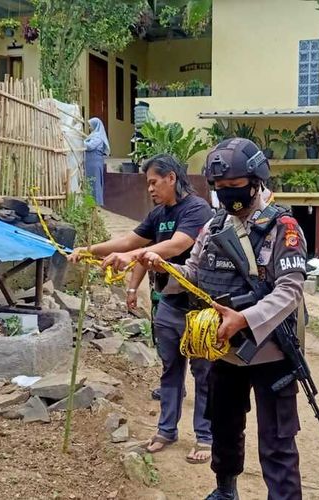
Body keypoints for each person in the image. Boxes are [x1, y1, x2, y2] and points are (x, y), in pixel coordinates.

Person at [143, 138, 307, 500]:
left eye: (235, 188)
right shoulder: (215, 227)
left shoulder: (284, 227)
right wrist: (161, 269)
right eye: (219, 189)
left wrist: (245, 319)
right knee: (224, 427)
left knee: (277, 442)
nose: (228, 196)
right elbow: (194, 273)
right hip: (225, 349)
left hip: (271, 354)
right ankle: (225, 490)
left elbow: (290, 290)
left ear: (256, 181)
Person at [68, 153, 214, 464]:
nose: (149, 188)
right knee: (170, 371)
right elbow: (130, 242)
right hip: (170, 304)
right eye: (147, 183)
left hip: (199, 307)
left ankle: (205, 436)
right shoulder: (159, 213)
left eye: (153, 182)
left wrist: (133, 256)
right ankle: (166, 430)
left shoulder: (198, 210)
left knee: (204, 374)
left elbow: (175, 245)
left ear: (171, 178)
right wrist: (88, 251)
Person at [84, 117, 110, 206]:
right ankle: (89, 202)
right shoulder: (93, 135)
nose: (89, 128)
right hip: (90, 162)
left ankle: (96, 203)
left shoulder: (98, 137)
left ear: (95, 126)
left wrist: (80, 142)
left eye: (90, 126)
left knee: (94, 182)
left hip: (94, 163)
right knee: (89, 181)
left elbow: (90, 146)